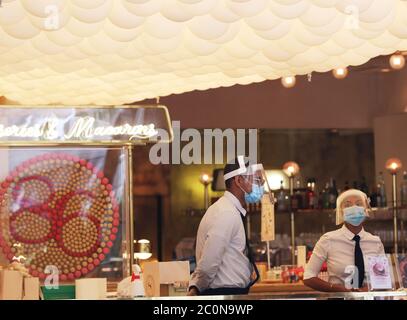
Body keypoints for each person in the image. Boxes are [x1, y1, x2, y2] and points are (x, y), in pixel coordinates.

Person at [187, 156, 264, 296]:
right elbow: (209, 263)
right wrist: (196, 289)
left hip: (232, 293)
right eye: (255, 179)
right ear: (239, 180)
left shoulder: (229, 210)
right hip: (223, 294)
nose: (261, 183)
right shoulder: (226, 213)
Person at [303, 189, 385, 292]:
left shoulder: (375, 242)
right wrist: (337, 288)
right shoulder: (328, 240)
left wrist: (369, 289)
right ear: (340, 211)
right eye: (347, 205)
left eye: (359, 204)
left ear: (366, 209)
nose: (354, 208)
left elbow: (382, 279)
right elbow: (308, 277)